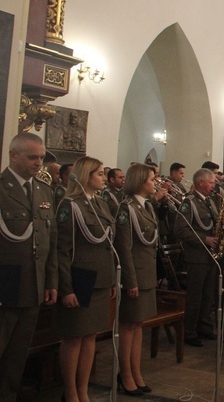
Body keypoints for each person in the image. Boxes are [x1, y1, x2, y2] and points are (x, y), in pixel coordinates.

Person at [0, 133, 57, 400]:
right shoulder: (2, 188)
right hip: (6, 282)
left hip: (33, 284)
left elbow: (50, 243)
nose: (39, 163)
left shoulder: (43, 190)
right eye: (33, 157)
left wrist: (51, 282)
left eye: (41, 157)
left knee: (17, 355)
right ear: (14, 155)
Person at [55, 156, 116, 402]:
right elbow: (62, 250)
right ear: (85, 176)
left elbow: (107, 245)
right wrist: (66, 288)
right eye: (99, 174)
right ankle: (70, 392)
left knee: (90, 336)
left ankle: (83, 389)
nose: (103, 178)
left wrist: (111, 280)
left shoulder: (100, 204)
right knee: (73, 338)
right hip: (79, 279)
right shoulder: (69, 205)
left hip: (100, 279)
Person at [113, 163, 159, 395]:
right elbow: (124, 248)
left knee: (138, 325)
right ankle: (125, 374)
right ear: (141, 182)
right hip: (135, 276)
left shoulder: (147, 207)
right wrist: (130, 281)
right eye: (151, 179)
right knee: (128, 325)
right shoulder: (126, 208)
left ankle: (136, 371)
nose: (155, 183)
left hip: (147, 273)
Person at [173, 168, 221, 347]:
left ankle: (205, 326)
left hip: (210, 254)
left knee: (208, 293)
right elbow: (180, 230)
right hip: (197, 255)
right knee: (195, 295)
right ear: (201, 183)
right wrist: (204, 239)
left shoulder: (209, 201)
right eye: (211, 183)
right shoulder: (189, 202)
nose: (213, 186)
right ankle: (189, 330)